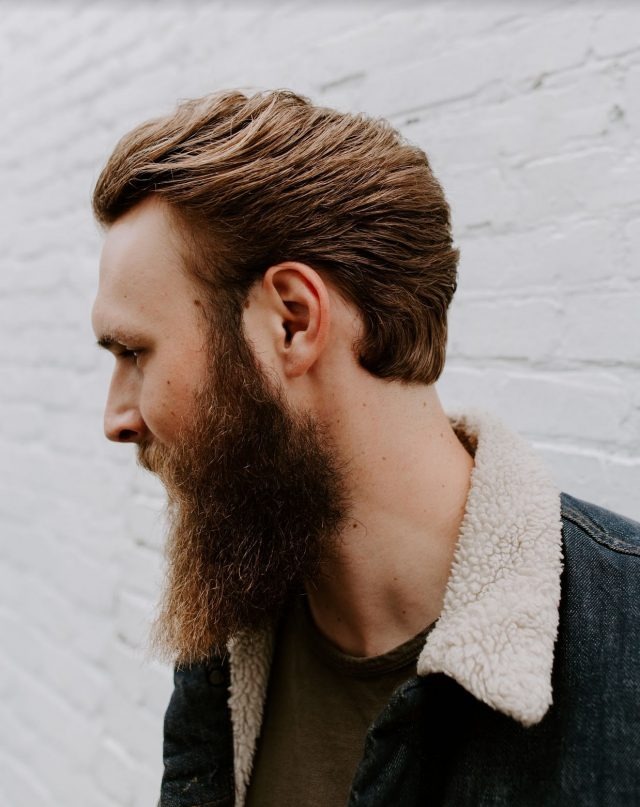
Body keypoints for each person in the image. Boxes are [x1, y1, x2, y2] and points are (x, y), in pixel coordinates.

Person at [91, 90, 640, 807]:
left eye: (135, 351)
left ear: (292, 322)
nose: (117, 418)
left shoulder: (625, 641)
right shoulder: (229, 635)